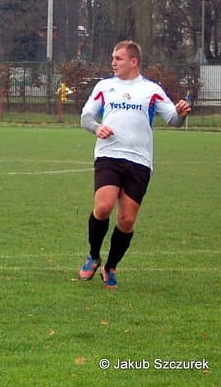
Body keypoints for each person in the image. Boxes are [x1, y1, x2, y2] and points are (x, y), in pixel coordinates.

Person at [77, 40, 191, 289]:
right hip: (109, 155)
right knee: (104, 205)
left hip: (139, 161)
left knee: (127, 220)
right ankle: (93, 256)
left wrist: (181, 112)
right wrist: (98, 128)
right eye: (113, 57)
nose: (113, 62)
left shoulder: (151, 90)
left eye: (118, 58)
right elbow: (86, 117)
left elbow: (173, 119)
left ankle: (111, 267)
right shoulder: (105, 87)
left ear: (133, 61)